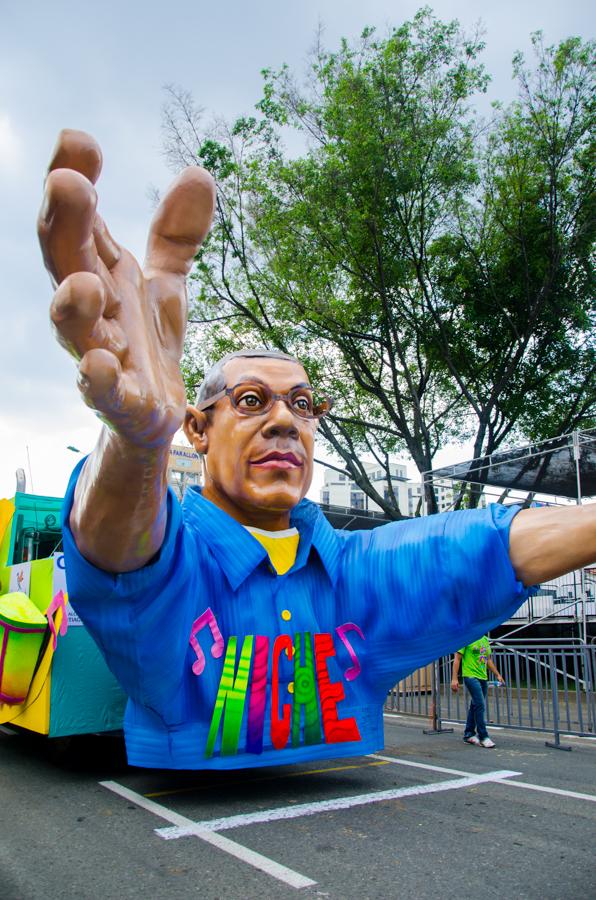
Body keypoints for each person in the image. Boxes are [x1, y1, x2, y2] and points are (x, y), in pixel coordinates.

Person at [38, 130, 596, 771]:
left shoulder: (350, 572)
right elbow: (119, 555)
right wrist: (136, 447)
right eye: (251, 401)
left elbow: (473, 548)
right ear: (197, 429)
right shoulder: (178, 560)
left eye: (302, 405)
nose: (284, 422)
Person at [451, 636, 504, 748]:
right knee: (480, 704)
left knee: (475, 705)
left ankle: (469, 734)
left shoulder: (485, 640)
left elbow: (488, 660)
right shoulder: (467, 637)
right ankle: (483, 736)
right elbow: (457, 658)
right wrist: (454, 678)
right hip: (470, 676)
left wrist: (497, 674)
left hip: (482, 677)